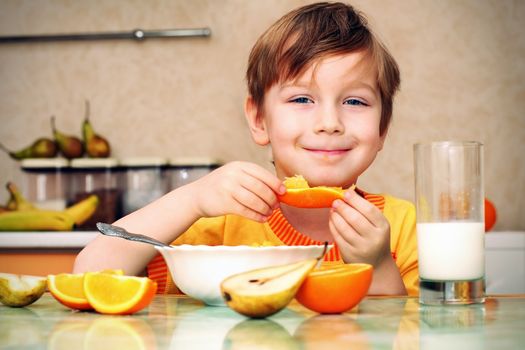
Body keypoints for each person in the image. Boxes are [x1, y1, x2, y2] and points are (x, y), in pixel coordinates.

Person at [74, 2, 418, 296]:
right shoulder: (220, 225)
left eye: (355, 101)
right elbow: (90, 275)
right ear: (259, 120)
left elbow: (418, 331)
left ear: (383, 128)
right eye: (302, 98)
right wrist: (191, 200)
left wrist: (377, 264)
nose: (330, 122)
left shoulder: (403, 225)